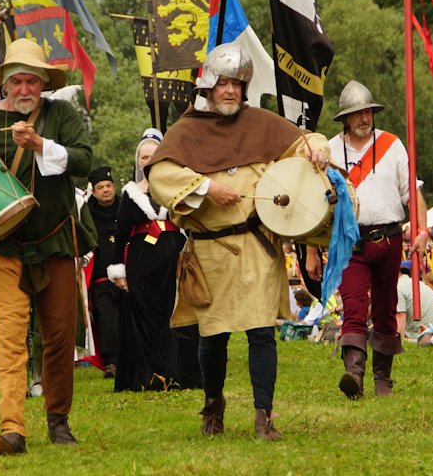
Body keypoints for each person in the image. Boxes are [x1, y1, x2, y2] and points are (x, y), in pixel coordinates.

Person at [146, 42, 329, 440]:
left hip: (257, 247)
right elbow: (159, 176)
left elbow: (305, 143)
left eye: (238, 84)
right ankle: (213, 405)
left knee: (262, 332)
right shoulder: (185, 131)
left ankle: (264, 416)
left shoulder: (262, 123)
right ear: (209, 85)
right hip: (211, 249)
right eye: (224, 83)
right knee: (214, 335)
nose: (231, 91)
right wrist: (207, 187)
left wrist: (318, 146)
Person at [0, 38, 95, 455]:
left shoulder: (61, 114)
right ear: (5, 84)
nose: (25, 89)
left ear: (43, 83)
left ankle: (58, 421)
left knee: (60, 336)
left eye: (32, 81)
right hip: (6, 248)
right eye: (18, 81)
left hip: (56, 242)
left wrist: (41, 145)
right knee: (9, 338)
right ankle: (13, 429)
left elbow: (85, 160)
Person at [306, 80, 428, 399]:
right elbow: (314, 205)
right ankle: (354, 374)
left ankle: (383, 380)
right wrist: (310, 252)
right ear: (346, 118)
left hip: (388, 238)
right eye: (357, 114)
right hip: (349, 242)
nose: (364, 118)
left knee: (387, 308)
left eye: (367, 112)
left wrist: (422, 230)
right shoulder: (330, 150)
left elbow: (412, 193)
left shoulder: (392, 145)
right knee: (355, 307)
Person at [109, 127, 201, 392]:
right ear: (138, 161)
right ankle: (151, 374)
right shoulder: (129, 194)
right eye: (143, 157)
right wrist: (119, 271)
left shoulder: (179, 190)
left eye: (153, 155)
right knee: (147, 318)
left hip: (175, 261)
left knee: (176, 316)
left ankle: (180, 374)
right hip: (142, 265)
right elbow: (122, 234)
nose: (147, 161)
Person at [82, 165, 123, 378]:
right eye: (100, 187)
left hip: (128, 277)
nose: (106, 190)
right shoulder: (86, 214)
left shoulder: (126, 209)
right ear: (94, 191)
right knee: (107, 321)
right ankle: (111, 363)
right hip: (100, 279)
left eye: (109, 186)